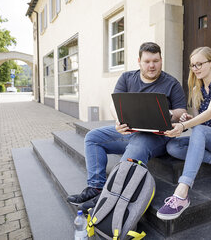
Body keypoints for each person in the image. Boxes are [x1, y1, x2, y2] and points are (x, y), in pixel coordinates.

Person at [67, 42, 187, 211]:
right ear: (139, 61)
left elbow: (181, 111)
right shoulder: (127, 78)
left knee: (138, 144)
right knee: (93, 137)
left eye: (156, 60)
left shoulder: (172, 83)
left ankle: (108, 197)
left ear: (161, 60)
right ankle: (96, 187)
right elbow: (114, 105)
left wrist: (167, 113)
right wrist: (118, 121)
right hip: (129, 131)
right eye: (147, 61)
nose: (152, 65)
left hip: (157, 137)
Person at [156, 46, 211, 220]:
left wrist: (185, 125)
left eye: (199, 64)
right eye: (193, 65)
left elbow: (209, 113)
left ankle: (182, 192)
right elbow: (199, 123)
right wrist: (186, 120)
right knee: (173, 147)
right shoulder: (196, 90)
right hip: (209, 141)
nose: (196, 69)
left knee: (199, 130)